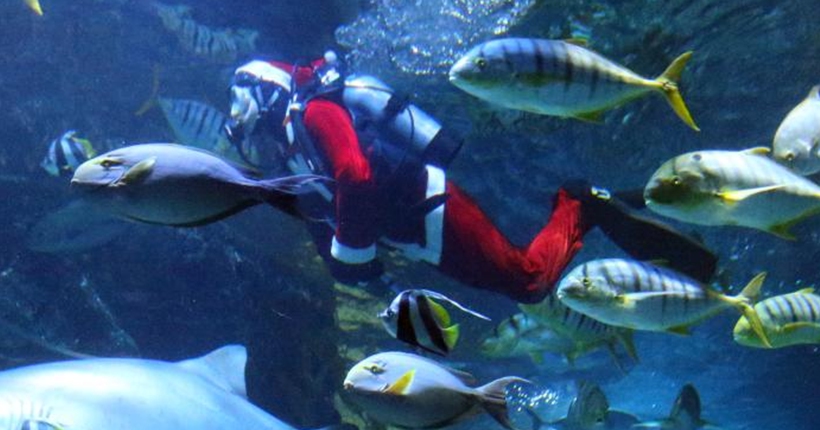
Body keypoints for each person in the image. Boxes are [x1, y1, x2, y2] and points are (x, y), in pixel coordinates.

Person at [224, 52, 717, 303]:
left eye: (235, 98)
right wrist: (348, 264)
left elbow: (355, 175)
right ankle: (600, 202)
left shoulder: (314, 112)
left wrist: (353, 256)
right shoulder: (293, 144)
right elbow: (323, 204)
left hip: (432, 211)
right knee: (520, 284)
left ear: (261, 86)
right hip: (419, 230)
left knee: (529, 282)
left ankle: (579, 203)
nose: (232, 114)